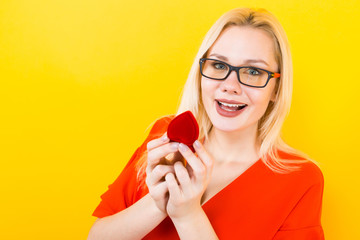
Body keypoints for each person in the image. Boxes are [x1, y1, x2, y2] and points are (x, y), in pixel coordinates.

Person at [87, 7, 324, 240]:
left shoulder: (301, 180)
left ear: (276, 89)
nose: (230, 85)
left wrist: (187, 214)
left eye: (253, 71)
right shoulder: (165, 138)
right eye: (219, 65)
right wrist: (157, 204)